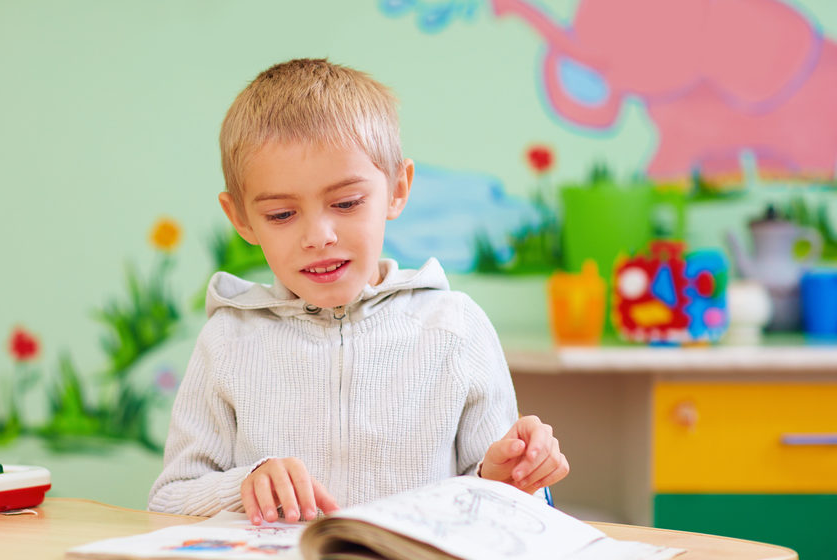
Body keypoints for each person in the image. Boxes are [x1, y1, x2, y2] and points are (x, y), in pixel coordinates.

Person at [148, 58, 569, 525]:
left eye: (346, 203)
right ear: (241, 218)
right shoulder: (228, 340)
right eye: (282, 215)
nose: (318, 235)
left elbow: (500, 505)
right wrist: (245, 483)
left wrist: (512, 475)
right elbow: (168, 501)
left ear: (397, 189)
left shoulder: (456, 328)